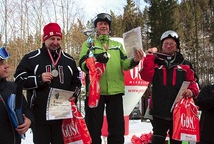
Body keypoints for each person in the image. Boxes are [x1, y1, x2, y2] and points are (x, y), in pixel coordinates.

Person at [79, 13, 144, 144]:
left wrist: (135, 60)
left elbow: (125, 64)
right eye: (100, 24)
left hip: (115, 90)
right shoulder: (89, 44)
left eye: (106, 24)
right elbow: (82, 63)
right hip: (94, 92)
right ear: (96, 27)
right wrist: (96, 59)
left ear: (109, 28)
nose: (103, 26)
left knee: (117, 129)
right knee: (93, 128)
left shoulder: (117, 45)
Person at [14, 23, 82, 144]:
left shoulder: (69, 60)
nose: (55, 42)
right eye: (51, 39)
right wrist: (38, 79)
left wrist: (74, 95)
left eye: (58, 39)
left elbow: (77, 81)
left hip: (62, 117)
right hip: (40, 116)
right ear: (44, 38)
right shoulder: (31, 58)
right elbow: (18, 80)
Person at [139, 30, 199, 144]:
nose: (168, 46)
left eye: (172, 44)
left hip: (178, 112)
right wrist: (150, 56)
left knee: (176, 141)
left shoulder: (185, 64)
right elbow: (145, 76)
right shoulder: (155, 62)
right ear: (162, 45)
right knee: (157, 140)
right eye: (166, 43)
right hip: (158, 111)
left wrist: (191, 91)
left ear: (176, 46)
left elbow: (194, 83)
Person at [0, 46, 33, 144]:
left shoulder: (14, 88)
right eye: (1, 64)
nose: (7, 66)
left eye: (5, 63)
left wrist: (29, 121)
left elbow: (26, 110)